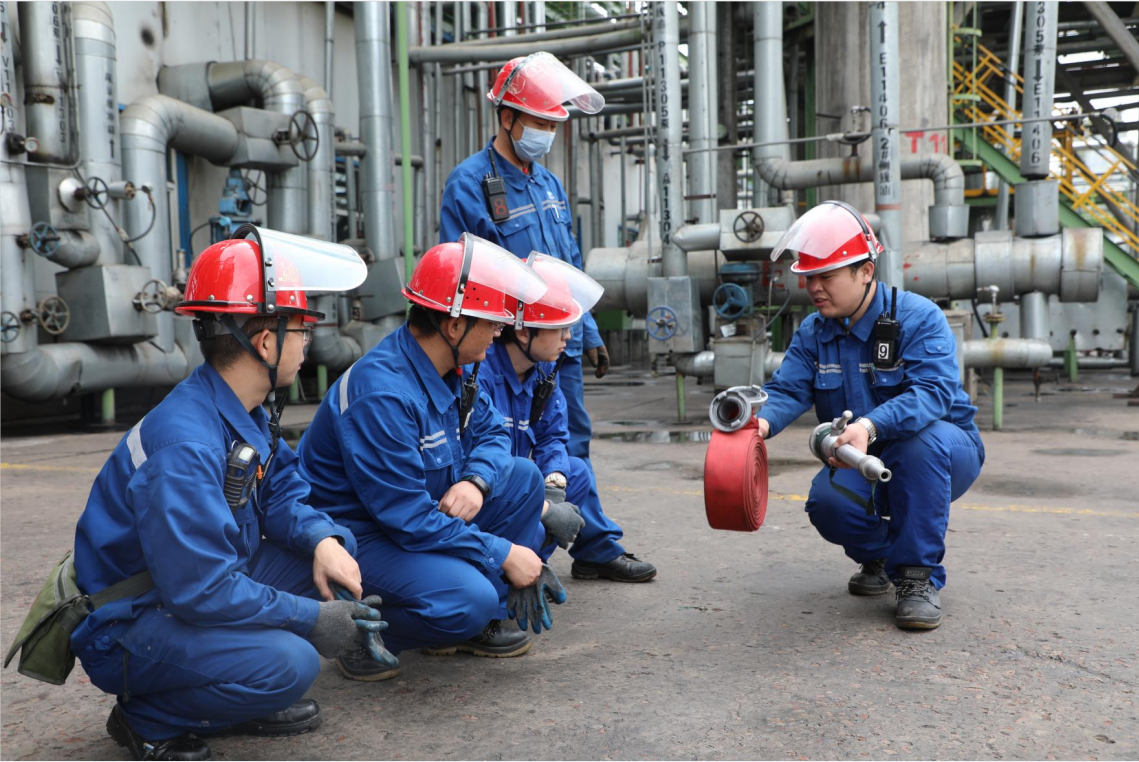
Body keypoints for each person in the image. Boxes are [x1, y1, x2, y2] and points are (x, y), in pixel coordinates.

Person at [71, 227, 395, 761]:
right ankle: (148, 718)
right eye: (301, 329)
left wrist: (322, 540)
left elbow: (283, 489)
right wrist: (309, 619)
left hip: (189, 587)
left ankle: (229, 691)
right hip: (132, 622)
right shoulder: (187, 444)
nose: (307, 341)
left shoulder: (240, 408)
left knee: (332, 569)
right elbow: (200, 590)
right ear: (265, 342)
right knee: (291, 663)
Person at [298, 234, 569, 679]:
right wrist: (502, 553)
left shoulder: (452, 367)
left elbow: (494, 434)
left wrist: (476, 481)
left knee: (523, 479)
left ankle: (473, 625)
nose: (498, 331)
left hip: (416, 515)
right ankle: (360, 632)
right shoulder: (383, 394)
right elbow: (405, 518)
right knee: (467, 600)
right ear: (454, 326)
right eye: (491, 321)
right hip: (363, 535)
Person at [756, 201, 985, 630]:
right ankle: (881, 557)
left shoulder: (918, 318)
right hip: (860, 456)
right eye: (808, 277)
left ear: (865, 271)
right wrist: (758, 425)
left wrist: (868, 425)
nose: (814, 287)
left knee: (920, 447)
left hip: (944, 453)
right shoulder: (813, 332)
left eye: (826, 276)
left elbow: (933, 393)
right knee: (828, 505)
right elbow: (788, 390)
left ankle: (916, 577)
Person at [439, 51, 609, 464]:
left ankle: (568, 505)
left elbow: (568, 263)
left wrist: (588, 331)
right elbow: (462, 276)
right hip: (504, 351)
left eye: (552, 126)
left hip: (559, 343)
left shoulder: (549, 183)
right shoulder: (469, 183)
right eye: (539, 124)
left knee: (570, 440)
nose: (547, 135)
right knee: (500, 441)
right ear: (507, 118)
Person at [480, 252, 658, 583]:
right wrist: (543, 507)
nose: (569, 338)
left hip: (517, 486)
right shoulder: (481, 371)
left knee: (574, 471)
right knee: (535, 512)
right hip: (486, 490)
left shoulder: (544, 369)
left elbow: (553, 435)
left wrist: (554, 485)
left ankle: (537, 564)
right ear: (523, 332)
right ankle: (505, 572)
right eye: (559, 328)